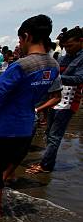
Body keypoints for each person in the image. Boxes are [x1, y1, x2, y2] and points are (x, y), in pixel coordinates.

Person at [0, 14, 62, 222]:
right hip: (25, 130)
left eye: (19, 40)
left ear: (27, 36)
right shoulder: (53, 65)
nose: (19, 44)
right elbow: (55, 95)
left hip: (4, 130)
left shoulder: (20, 66)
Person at [26, 26, 83, 174]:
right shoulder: (67, 56)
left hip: (68, 102)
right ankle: (46, 161)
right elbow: (54, 68)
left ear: (81, 41)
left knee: (54, 136)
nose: (67, 49)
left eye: (70, 46)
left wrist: (56, 77)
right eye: (65, 46)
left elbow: (78, 78)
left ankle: (46, 166)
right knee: (49, 133)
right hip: (55, 99)